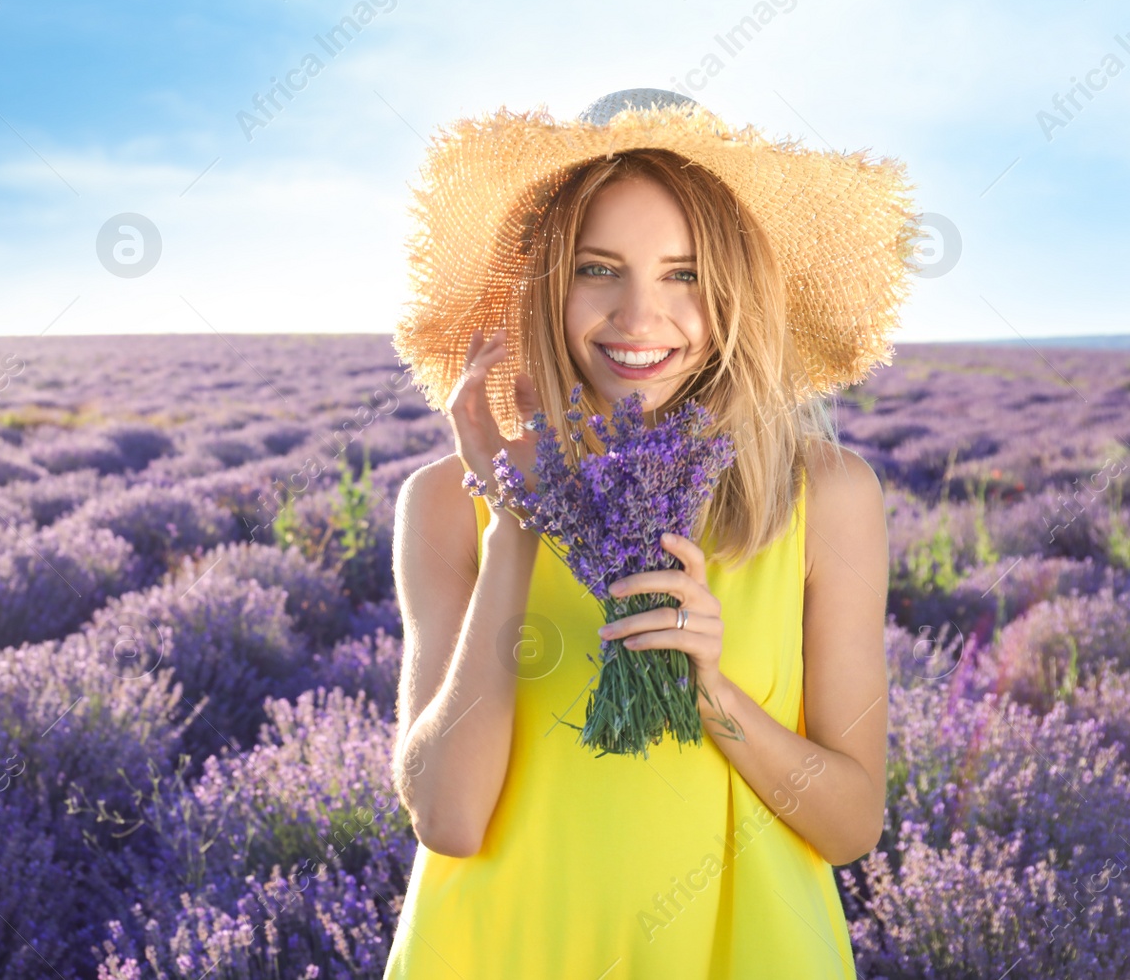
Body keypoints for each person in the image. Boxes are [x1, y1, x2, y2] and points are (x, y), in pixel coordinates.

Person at [382, 88, 917, 978]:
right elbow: (448, 817)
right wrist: (516, 513)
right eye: (598, 268)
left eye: (684, 273)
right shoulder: (447, 501)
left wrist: (714, 692)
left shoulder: (824, 495)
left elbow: (851, 824)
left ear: (736, 289)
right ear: (544, 285)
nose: (639, 316)